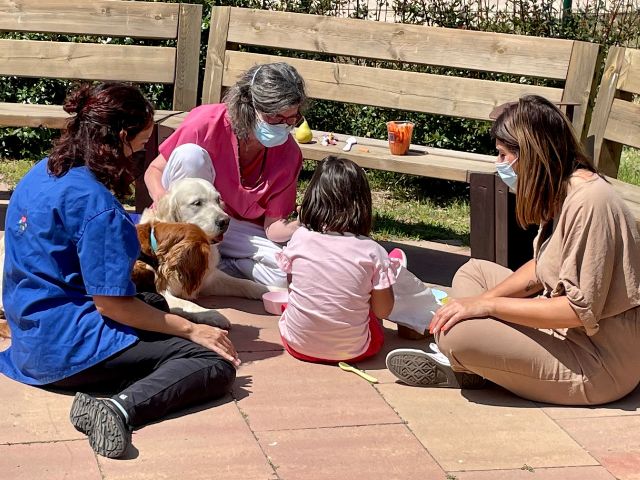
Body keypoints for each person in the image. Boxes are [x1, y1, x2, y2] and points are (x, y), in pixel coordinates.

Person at [0, 82, 240, 458]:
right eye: (142, 143)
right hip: (65, 350)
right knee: (211, 361)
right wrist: (192, 329)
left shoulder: (41, 173)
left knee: (153, 303)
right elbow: (113, 306)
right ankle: (117, 408)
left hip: (30, 330)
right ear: (121, 138)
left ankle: (130, 373)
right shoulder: (98, 205)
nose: (144, 152)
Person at [386, 95, 640, 405]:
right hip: (562, 334)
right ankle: (482, 364)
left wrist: (487, 308)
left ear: (532, 155)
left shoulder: (589, 202)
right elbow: (540, 269)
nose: (500, 165)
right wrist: (476, 302)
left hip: (597, 365)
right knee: (474, 272)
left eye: (505, 155)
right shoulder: (564, 192)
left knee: (457, 334)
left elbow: (576, 310)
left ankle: (474, 362)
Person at [144, 62, 307, 288]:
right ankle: (182, 252)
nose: (284, 126)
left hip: (233, 230)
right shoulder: (205, 123)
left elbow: (273, 227)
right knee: (190, 155)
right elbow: (154, 171)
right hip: (189, 221)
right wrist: (165, 203)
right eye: (275, 118)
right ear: (248, 106)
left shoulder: (289, 154)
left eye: (292, 119)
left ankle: (215, 266)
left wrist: (303, 223)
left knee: (284, 273)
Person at [276, 156, 402, 363]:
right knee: (372, 320)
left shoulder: (299, 238)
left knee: (294, 308)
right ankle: (388, 272)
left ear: (312, 198)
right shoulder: (372, 251)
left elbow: (293, 289)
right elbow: (383, 311)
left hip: (297, 345)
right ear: (362, 204)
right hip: (355, 351)